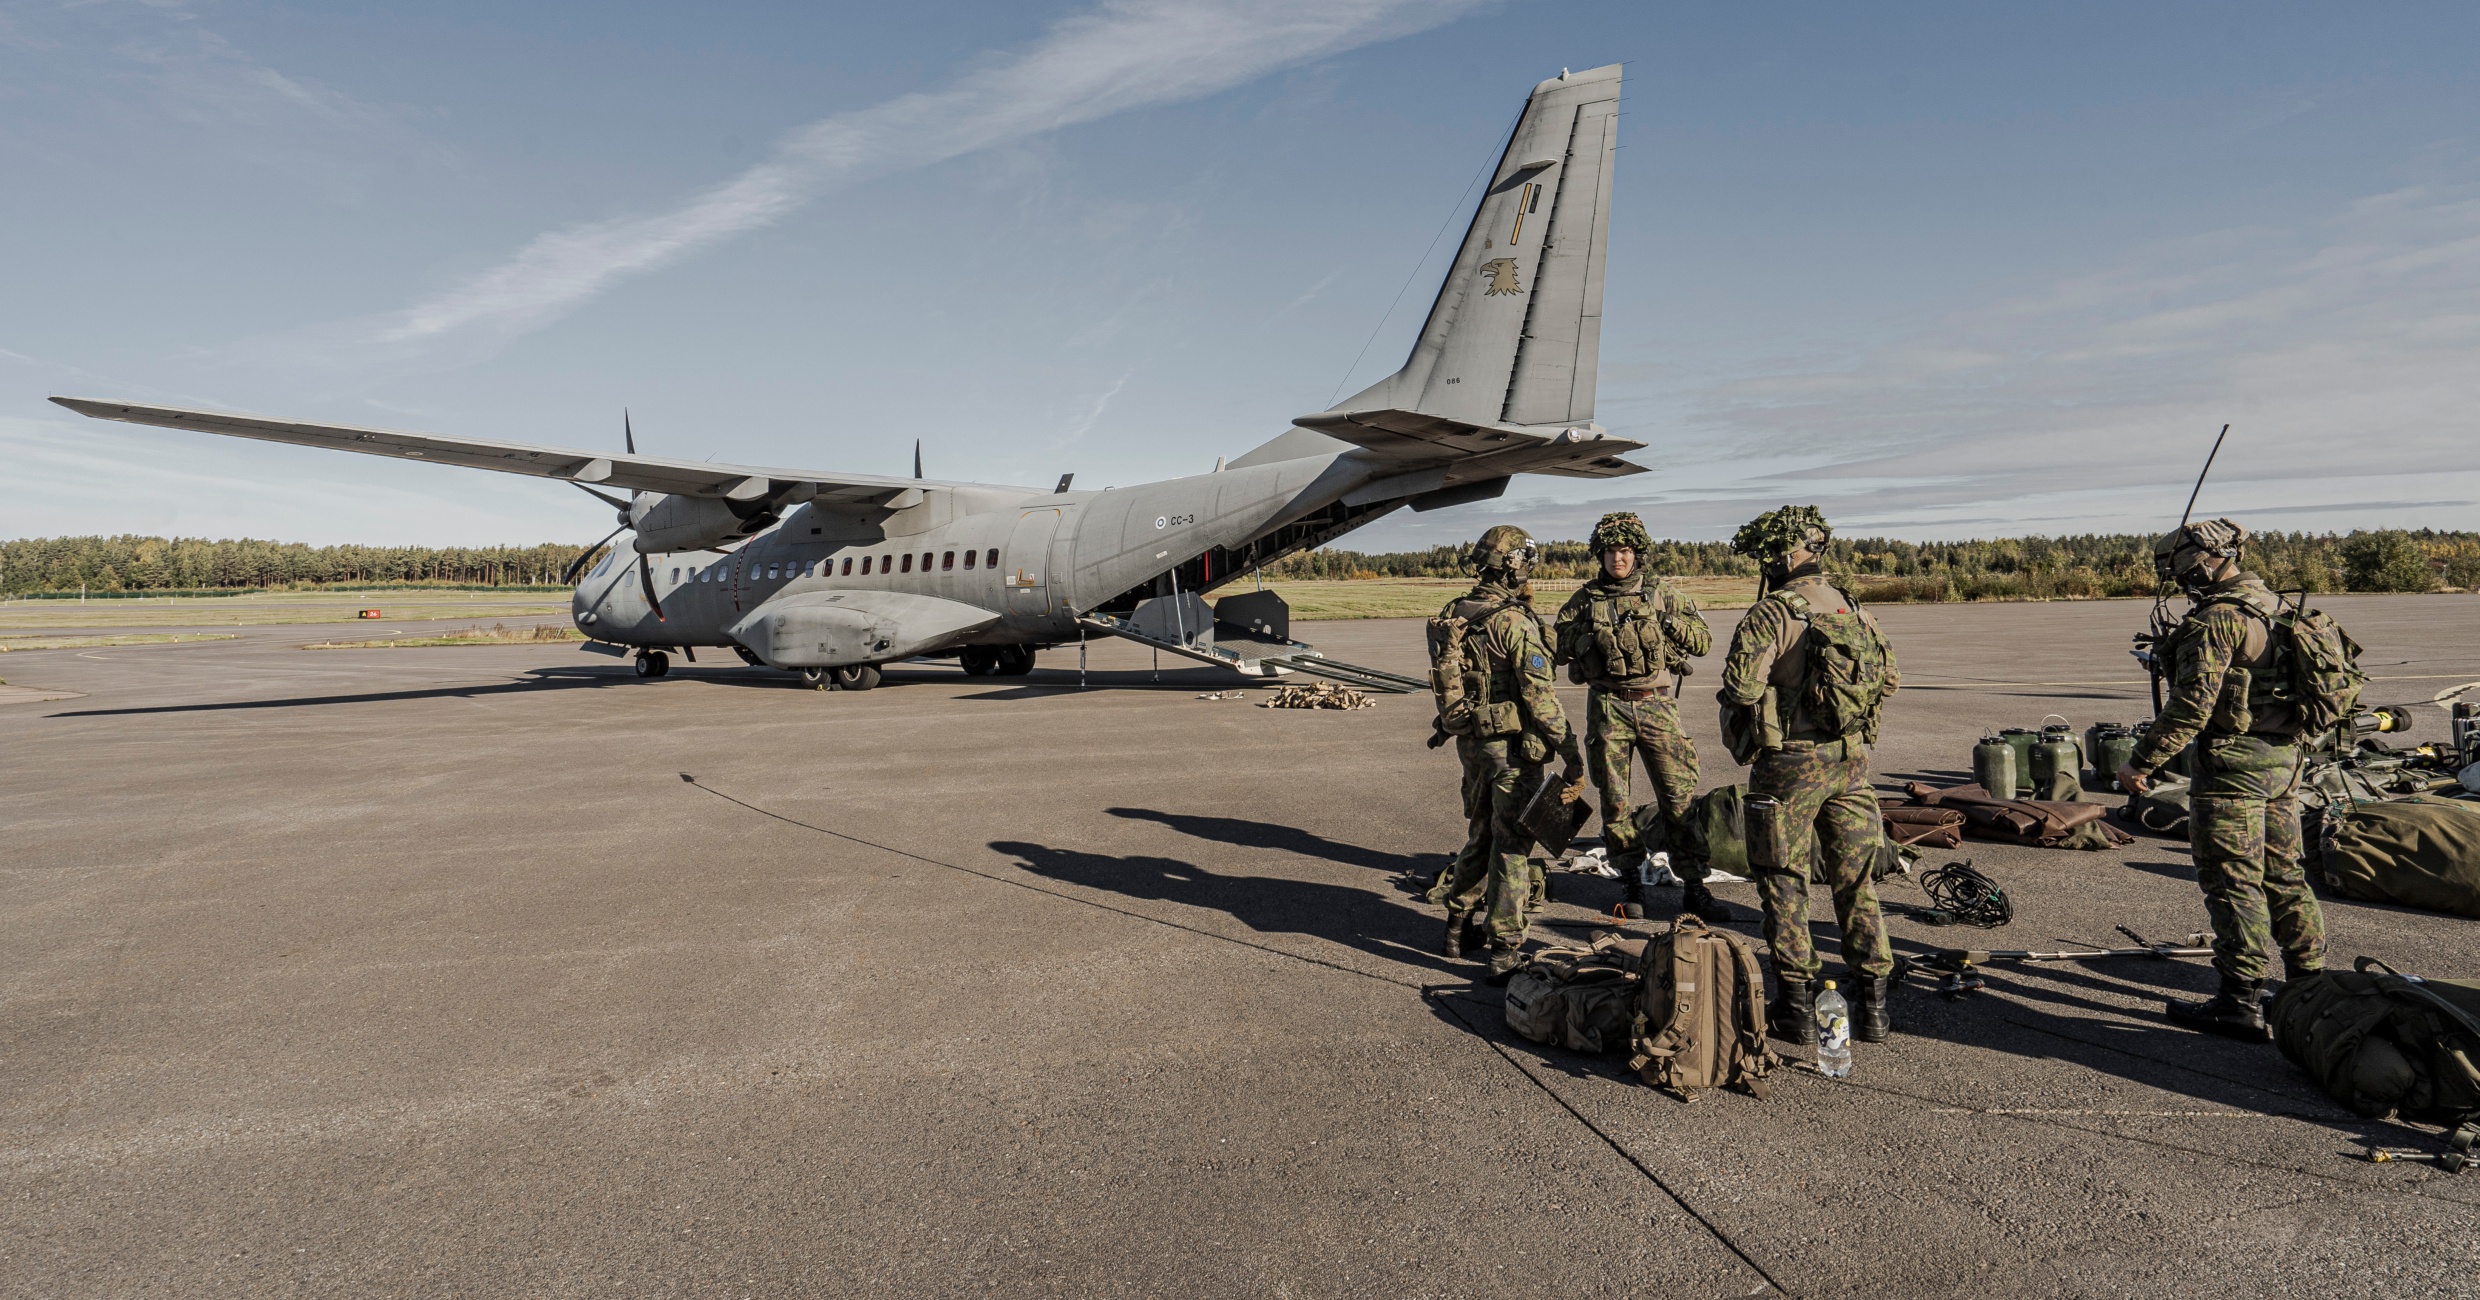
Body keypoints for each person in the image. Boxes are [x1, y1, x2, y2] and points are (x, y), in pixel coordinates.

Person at [2117, 519, 2327, 1040]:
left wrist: (2140, 762)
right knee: (2285, 875)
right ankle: (2313, 988)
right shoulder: (2280, 607)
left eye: (2180, 570)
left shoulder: (2218, 620)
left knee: (2233, 881)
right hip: (2284, 761)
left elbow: (2191, 706)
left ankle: (2239, 1000)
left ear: (2204, 562)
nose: (2179, 581)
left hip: (2233, 768)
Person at [1716, 506, 1900, 1044]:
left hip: (1789, 766)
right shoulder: (1849, 604)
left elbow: (1742, 689)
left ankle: (1795, 1006)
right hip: (1851, 762)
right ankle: (1873, 1008)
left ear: (1782, 555)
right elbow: (1889, 679)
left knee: (1783, 879)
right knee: (1857, 881)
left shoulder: (1773, 611)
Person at [1421, 525, 1585, 982]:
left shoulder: (1455, 610)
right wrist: (1572, 754)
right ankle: (1505, 948)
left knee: (1480, 834)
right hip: (1513, 751)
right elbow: (1540, 698)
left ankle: (1458, 924)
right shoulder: (1512, 621)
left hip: (1471, 746)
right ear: (1516, 568)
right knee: (1512, 847)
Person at [1552, 512, 1718, 920]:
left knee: (1678, 798)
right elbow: (1558, 647)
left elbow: (1703, 642)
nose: (1618, 559)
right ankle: (1629, 880)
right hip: (1609, 706)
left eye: (1625, 551)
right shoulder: (1585, 599)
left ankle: (1695, 887)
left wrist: (1666, 623)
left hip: (1657, 705)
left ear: (1637, 553)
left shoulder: (1664, 594)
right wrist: (1588, 635)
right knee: (1614, 800)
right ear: (1600, 555)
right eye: (1610, 551)